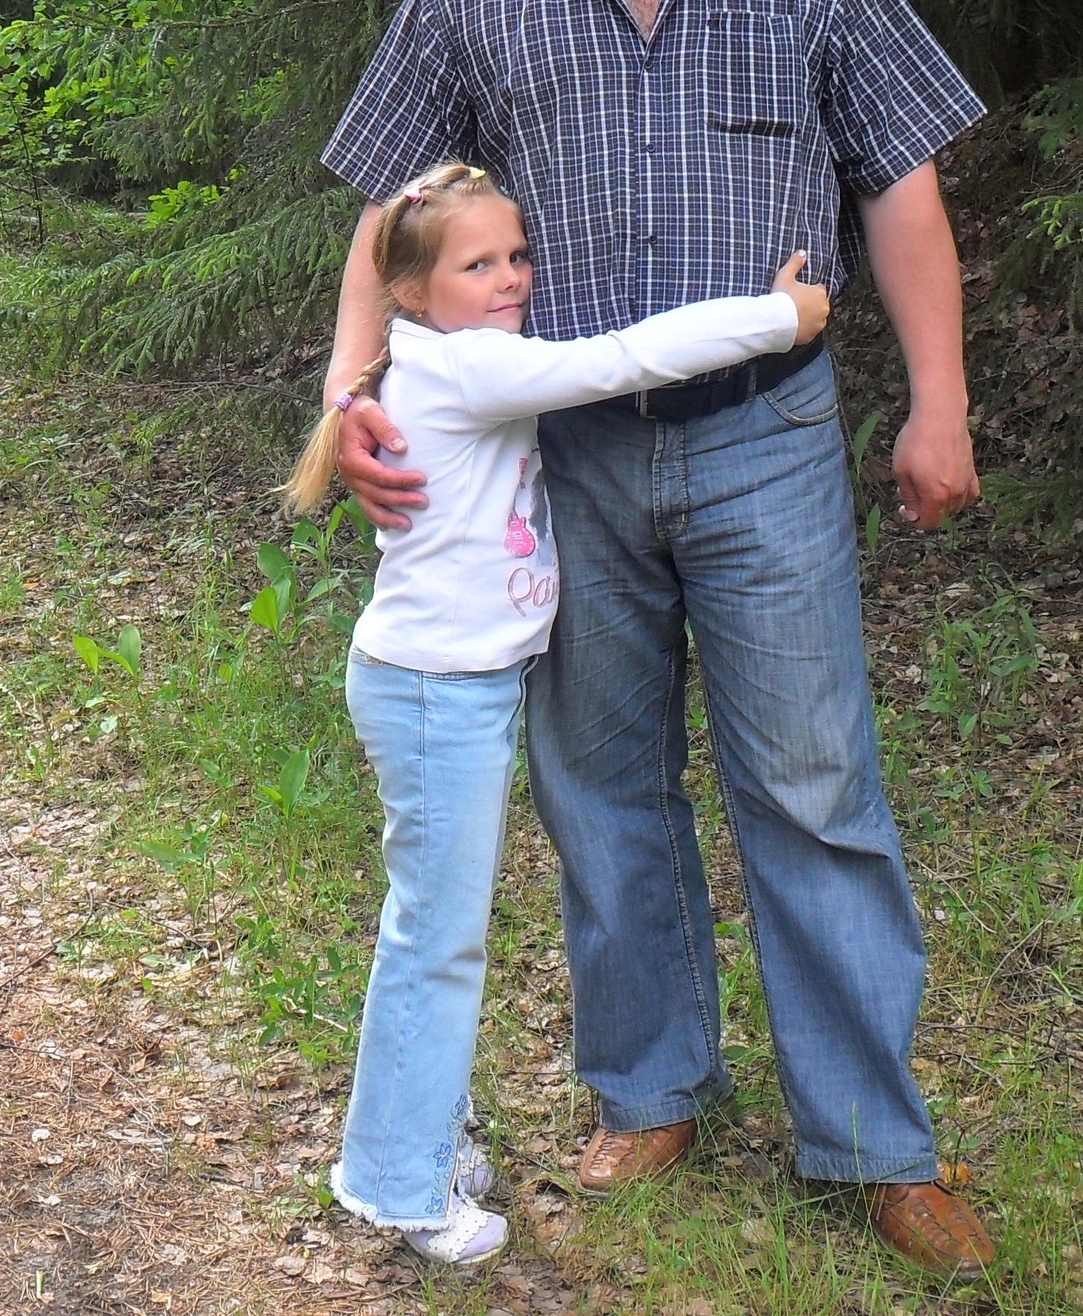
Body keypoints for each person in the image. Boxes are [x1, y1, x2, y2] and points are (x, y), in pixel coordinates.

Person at [315, 0, 997, 1279]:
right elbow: (384, 216)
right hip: (559, 469)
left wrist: (941, 404)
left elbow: (899, 189)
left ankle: (875, 1142)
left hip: (767, 439)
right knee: (603, 783)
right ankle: (650, 1088)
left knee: (813, 784)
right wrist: (350, 394)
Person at [284, 160, 832, 1270]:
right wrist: (780, 320)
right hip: (436, 694)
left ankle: (420, 1138)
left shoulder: (441, 358)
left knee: (437, 929)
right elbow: (623, 357)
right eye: (476, 264)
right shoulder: (469, 367)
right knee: (436, 940)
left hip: (452, 686)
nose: (508, 279)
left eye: (517, 256)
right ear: (410, 292)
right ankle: (398, 1182)